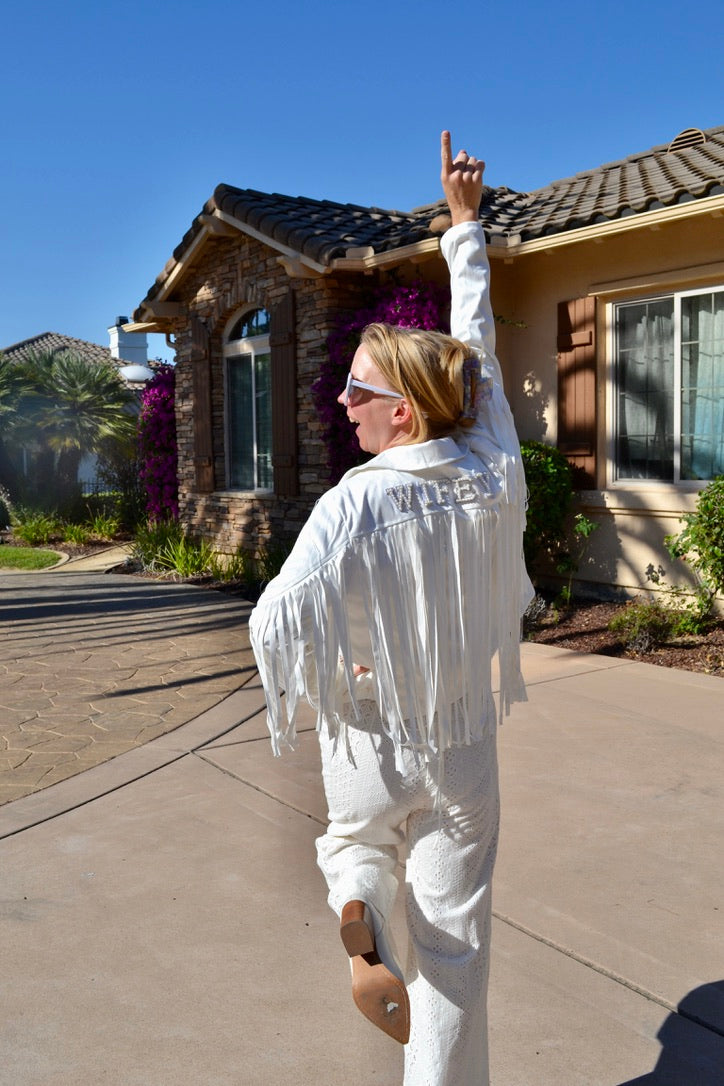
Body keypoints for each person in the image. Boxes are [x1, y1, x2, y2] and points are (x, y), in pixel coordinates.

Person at [249, 131, 533, 1086]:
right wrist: (465, 227)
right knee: (456, 953)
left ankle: (359, 898)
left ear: (402, 413)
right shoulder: (492, 468)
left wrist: (340, 675)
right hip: (461, 741)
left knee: (353, 836)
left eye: (358, 392)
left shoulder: (352, 502)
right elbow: (478, 355)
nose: (342, 402)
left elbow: (274, 622)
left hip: (371, 735)